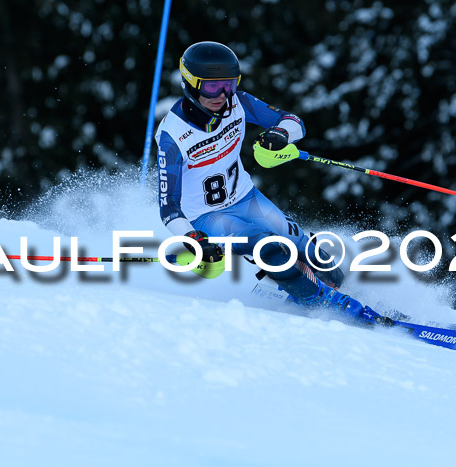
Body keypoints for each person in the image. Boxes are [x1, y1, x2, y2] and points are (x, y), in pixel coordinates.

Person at [154, 41, 392, 326]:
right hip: (207, 217)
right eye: (211, 87)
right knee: (268, 248)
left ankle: (349, 290)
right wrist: (193, 238)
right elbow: (168, 206)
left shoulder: (238, 103)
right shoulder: (172, 136)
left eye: (229, 84)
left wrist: (281, 133)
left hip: (245, 197)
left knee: (303, 244)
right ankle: (326, 304)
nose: (222, 95)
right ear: (191, 85)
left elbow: (294, 121)